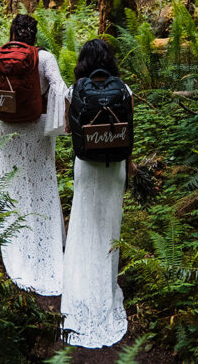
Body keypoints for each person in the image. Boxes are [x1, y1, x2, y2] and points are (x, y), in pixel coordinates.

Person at [0, 14, 67, 296]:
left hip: (5, 129)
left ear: (12, 33)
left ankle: (16, 250)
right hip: (36, 129)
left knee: (11, 187)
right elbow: (59, 89)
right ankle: (47, 244)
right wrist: (57, 126)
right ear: (34, 35)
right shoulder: (45, 57)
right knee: (41, 185)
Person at [61, 38, 133, 348]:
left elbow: (68, 130)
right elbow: (131, 131)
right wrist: (130, 170)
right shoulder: (125, 90)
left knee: (83, 223)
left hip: (86, 166)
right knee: (108, 228)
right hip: (115, 167)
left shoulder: (74, 91)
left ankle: (78, 289)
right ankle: (104, 289)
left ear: (83, 62)